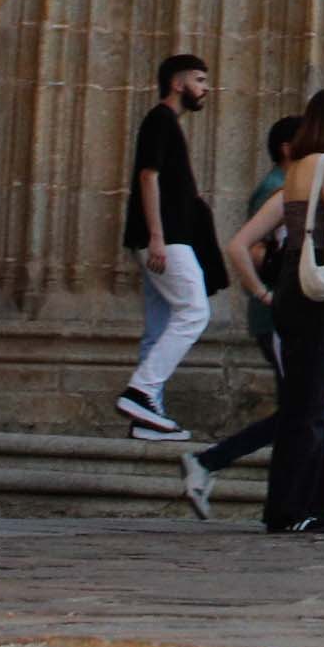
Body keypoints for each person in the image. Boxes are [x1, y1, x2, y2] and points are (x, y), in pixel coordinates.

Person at [228, 87, 324, 533]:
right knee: (314, 403)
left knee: (298, 401)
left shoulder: (292, 172)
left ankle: (290, 507)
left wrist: (262, 292)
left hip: (289, 287)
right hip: (318, 290)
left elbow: (237, 244)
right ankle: (305, 509)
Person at [182, 113, 298, 515]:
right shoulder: (275, 189)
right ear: (287, 147)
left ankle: (281, 498)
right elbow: (254, 249)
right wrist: (268, 291)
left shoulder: (283, 184)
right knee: (300, 410)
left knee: (296, 410)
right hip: (276, 314)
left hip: (279, 311)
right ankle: (209, 461)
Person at [116, 51, 222, 441]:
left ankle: (147, 418)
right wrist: (158, 237)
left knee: (161, 324)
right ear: (178, 83)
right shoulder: (160, 119)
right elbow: (148, 176)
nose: (205, 88)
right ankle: (142, 391)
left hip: (166, 238)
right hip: (165, 239)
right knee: (195, 311)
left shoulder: (168, 123)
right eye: (199, 80)